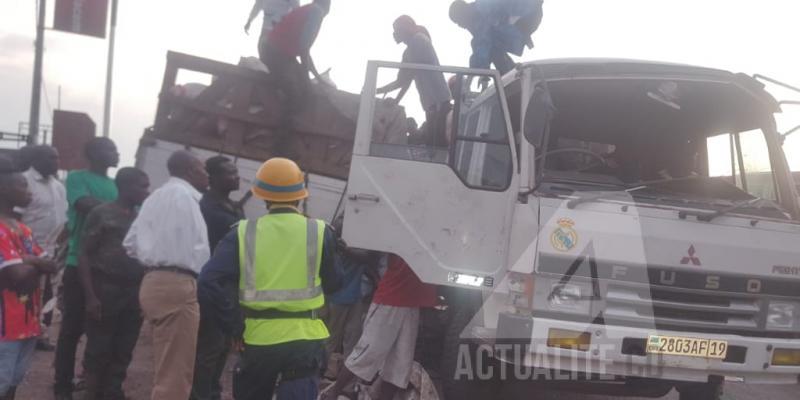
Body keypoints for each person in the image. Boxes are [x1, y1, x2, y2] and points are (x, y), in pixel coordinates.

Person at [198, 157, 341, 400]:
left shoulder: (242, 233)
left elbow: (208, 282)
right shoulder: (319, 232)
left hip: (257, 338)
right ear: (301, 195)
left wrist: (233, 327)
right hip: (305, 340)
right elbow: (336, 283)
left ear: (262, 196)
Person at [123, 150, 210, 400]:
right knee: (175, 374)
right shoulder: (184, 199)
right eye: (203, 169)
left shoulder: (156, 197)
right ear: (191, 170)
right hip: (177, 282)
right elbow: (194, 249)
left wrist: (154, 258)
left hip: (153, 281)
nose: (207, 175)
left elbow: (130, 244)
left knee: (167, 365)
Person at [54, 137, 120, 400]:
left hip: (109, 270)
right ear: (94, 154)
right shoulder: (77, 179)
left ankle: (91, 383)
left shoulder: (116, 186)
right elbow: (83, 204)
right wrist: (121, 209)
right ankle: (62, 385)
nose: (117, 153)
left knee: (102, 331)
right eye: (111, 149)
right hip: (77, 264)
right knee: (71, 330)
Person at [77, 168, 150, 400]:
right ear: (126, 186)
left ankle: (113, 392)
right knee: (99, 348)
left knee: (125, 347)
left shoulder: (143, 218)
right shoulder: (102, 214)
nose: (146, 191)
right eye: (142, 186)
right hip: (105, 289)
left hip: (133, 290)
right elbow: (84, 254)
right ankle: (92, 393)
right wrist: (90, 296)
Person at [322, 255, 438, 400]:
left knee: (399, 367)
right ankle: (332, 394)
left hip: (411, 304)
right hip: (390, 300)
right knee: (366, 353)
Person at [0, 156, 57, 400]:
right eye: (22, 186)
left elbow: (52, 265)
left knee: (14, 381)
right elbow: (15, 275)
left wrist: (25, 260)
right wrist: (33, 261)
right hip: (4, 323)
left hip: (26, 322)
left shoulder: (22, 228)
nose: (29, 191)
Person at [191, 156, 244, 400]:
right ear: (212, 178)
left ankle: (213, 391)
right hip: (212, 283)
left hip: (232, 285)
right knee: (209, 347)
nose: (237, 177)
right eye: (230, 173)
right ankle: (200, 394)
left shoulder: (235, 207)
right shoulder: (205, 207)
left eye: (236, 172)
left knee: (224, 345)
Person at [16, 145, 67, 352]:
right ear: (36, 159)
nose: (56, 162)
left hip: (50, 249)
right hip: (24, 250)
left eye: (57, 158)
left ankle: (37, 333)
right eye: (51, 158)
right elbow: (16, 218)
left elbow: (62, 219)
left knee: (44, 294)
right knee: (21, 292)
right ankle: (16, 333)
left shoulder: (58, 186)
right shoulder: (24, 181)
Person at [321, 216, 379, 393]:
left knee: (349, 340)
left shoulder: (351, 248)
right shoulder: (342, 248)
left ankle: (343, 379)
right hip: (339, 298)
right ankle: (323, 374)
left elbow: (368, 262)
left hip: (353, 298)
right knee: (333, 339)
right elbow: (367, 258)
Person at [377, 16, 452, 147]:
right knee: (432, 145)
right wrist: (378, 90)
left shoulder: (419, 40)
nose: (395, 33)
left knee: (438, 146)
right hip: (430, 106)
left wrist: (395, 99)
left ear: (407, 27)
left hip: (440, 103)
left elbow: (408, 77)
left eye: (398, 29)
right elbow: (401, 81)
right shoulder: (408, 52)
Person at [261, 0, 332, 131]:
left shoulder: (309, 9)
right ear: (327, 6)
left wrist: (317, 78)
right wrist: (307, 80)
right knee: (297, 94)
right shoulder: (317, 13)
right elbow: (304, 50)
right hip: (276, 52)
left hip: (278, 52)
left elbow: (304, 52)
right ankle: (281, 140)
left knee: (301, 85)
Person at [449, 0, 544, 75]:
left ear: (463, 14)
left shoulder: (480, 12)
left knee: (488, 45)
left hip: (525, 14)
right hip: (525, 15)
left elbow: (483, 43)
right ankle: (510, 71)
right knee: (491, 45)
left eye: (458, 21)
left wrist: (477, 69)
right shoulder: (478, 15)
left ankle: (508, 72)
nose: (460, 25)